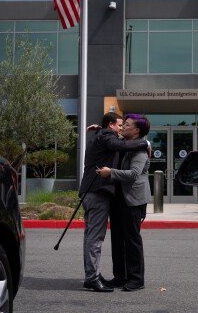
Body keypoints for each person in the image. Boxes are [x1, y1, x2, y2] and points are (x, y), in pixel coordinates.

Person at [79, 112, 149, 292]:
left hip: (133, 201)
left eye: (127, 125)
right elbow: (109, 139)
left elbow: (133, 175)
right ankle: (120, 277)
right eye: (121, 124)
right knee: (117, 240)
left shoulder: (140, 150)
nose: (123, 127)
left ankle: (136, 279)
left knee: (132, 240)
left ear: (137, 130)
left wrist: (111, 172)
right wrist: (102, 129)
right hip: (118, 200)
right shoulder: (123, 145)